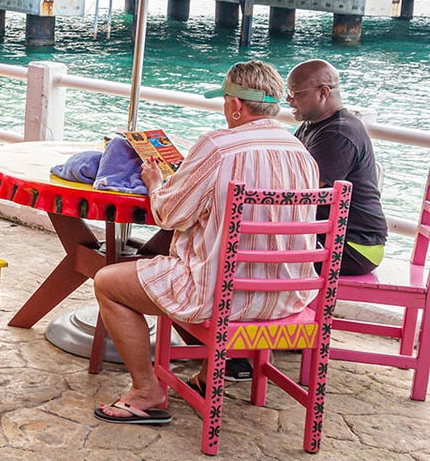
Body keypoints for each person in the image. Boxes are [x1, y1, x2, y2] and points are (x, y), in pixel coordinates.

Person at [91, 60, 319, 425]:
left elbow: (170, 214)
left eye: (226, 100)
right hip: (286, 298)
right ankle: (207, 373)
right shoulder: (301, 153)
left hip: (223, 298)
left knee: (107, 283)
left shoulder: (219, 146)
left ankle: (146, 389)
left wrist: (155, 183)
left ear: (236, 105)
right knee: (195, 262)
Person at [287, 59, 387, 275]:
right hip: (332, 235)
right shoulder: (314, 125)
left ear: (323, 92)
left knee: (262, 251)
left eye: (295, 93)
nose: (288, 99)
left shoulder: (338, 134)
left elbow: (303, 190)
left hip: (355, 246)